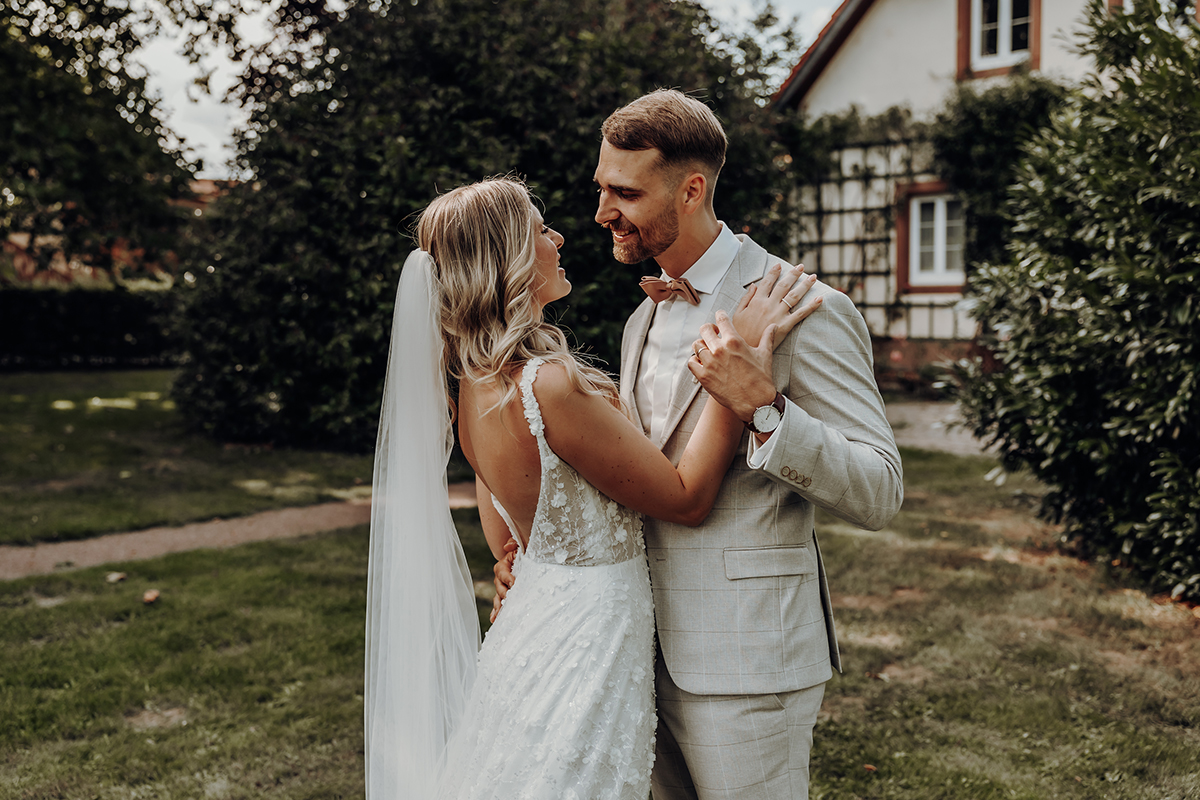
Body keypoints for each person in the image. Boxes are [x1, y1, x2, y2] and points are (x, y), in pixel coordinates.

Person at [495, 90, 904, 799]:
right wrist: (536, 565)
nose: (601, 212)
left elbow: (880, 490)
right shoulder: (640, 319)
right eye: (601, 188)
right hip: (630, 651)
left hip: (749, 660)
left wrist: (766, 410)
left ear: (691, 191)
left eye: (626, 193)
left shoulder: (805, 309)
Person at [364, 176, 821, 799]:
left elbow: (509, 540)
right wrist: (734, 365)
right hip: (587, 643)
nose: (557, 238)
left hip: (533, 633)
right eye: (539, 230)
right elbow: (686, 497)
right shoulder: (547, 386)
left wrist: (515, 566)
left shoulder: (470, 388)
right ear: (507, 260)